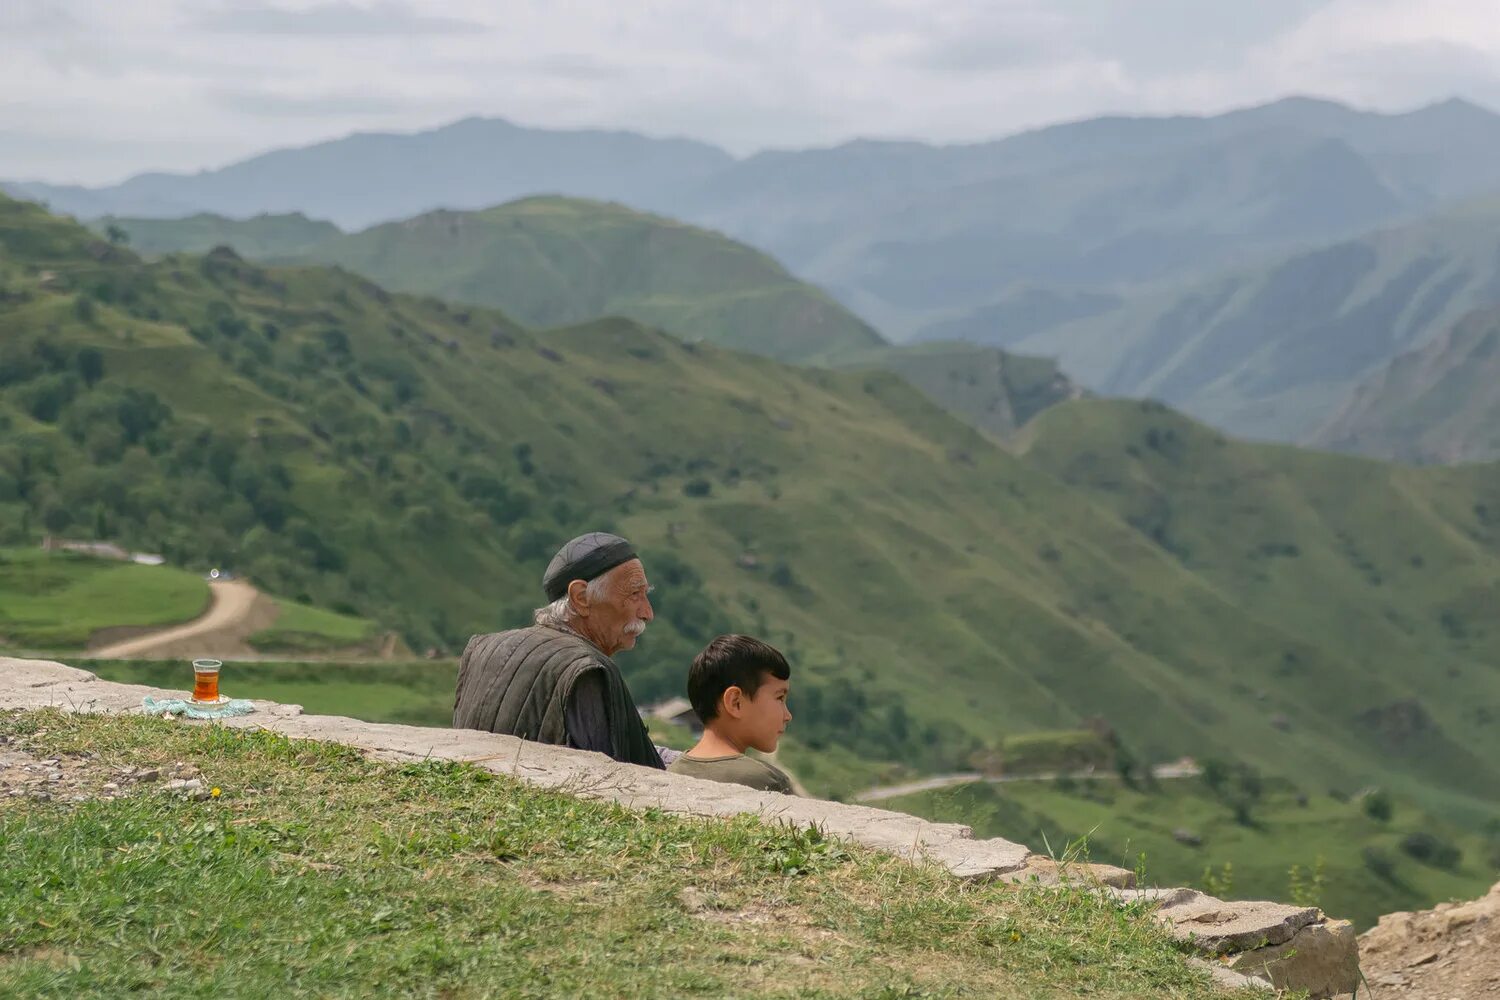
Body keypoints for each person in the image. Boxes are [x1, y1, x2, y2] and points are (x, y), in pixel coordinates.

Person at [453, 531, 665, 768]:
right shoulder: (588, 670)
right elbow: (607, 773)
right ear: (581, 597)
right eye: (635, 594)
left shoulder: (481, 649)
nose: (647, 613)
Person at [669, 634, 795, 793]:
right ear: (735, 702)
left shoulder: (674, 771)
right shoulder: (766, 781)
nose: (787, 715)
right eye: (779, 698)